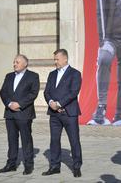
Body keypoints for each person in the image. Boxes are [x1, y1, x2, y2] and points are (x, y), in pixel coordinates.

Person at [42, 49, 83, 178]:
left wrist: (59, 104)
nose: (55, 61)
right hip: (54, 114)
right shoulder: (52, 74)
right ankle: (54, 166)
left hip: (69, 113)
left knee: (74, 140)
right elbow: (46, 92)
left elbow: (73, 92)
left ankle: (76, 167)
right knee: (54, 140)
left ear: (65, 59)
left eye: (57, 59)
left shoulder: (75, 74)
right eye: (54, 59)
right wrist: (51, 103)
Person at [0, 54, 40, 175]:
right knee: (11, 140)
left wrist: (19, 104)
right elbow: (3, 91)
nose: (14, 64)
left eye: (17, 62)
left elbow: (33, 93)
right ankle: (11, 164)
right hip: (10, 113)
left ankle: (28, 165)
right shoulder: (9, 76)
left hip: (24, 113)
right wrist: (9, 103)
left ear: (25, 64)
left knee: (26, 140)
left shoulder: (33, 76)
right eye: (14, 62)